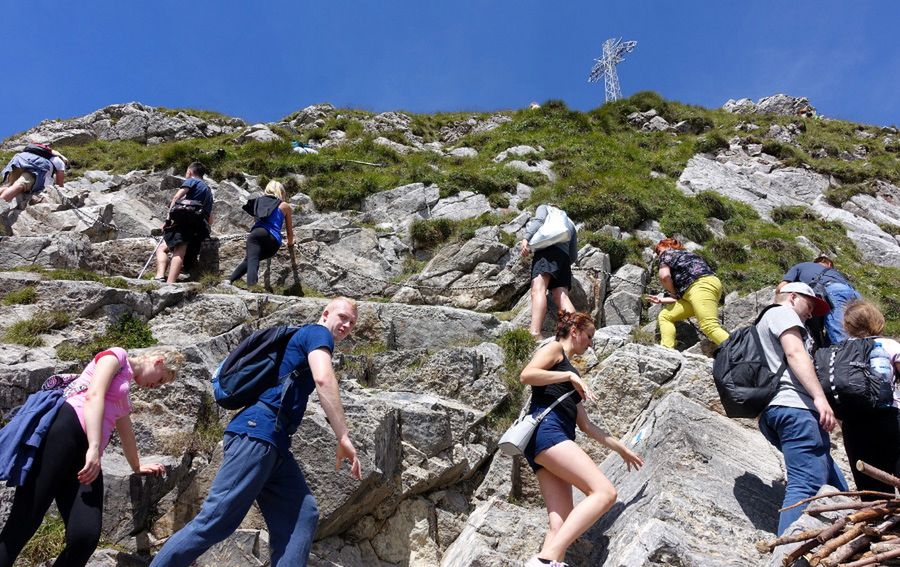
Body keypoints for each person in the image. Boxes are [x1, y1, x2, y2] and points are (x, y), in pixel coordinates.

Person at [149, 297, 363, 567]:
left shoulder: (306, 336)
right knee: (216, 521)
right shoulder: (318, 333)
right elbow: (323, 377)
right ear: (325, 313)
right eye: (342, 317)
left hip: (275, 441)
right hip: (257, 433)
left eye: (352, 323)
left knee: (301, 514)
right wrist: (342, 435)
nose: (346, 325)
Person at [0, 346, 184, 567]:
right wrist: (95, 448)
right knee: (24, 522)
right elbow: (93, 394)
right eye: (161, 379)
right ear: (159, 361)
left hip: (86, 456)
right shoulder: (117, 356)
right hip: (63, 435)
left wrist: (137, 466)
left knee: (85, 536)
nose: (156, 386)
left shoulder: (124, 395)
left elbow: (126, 431)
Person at [520, 310, 643, 567]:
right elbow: (527, 375)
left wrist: (622, 450)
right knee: (605, 493)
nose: (590, 343)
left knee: (560, 523)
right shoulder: (555, 350)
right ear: (574, 331)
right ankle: (546, 560)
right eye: (589, 336)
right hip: (548, 434)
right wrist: (568, 376)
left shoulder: (570, 372)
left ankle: (546, 561)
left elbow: (586, 426)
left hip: (545, 443)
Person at [756, 282, 848, 535]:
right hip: (795, 408)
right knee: (806, 485)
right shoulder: (782, 312)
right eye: (810, 304)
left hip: (778, 410)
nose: (811, 313)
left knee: (837, 490)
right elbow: (796, 353)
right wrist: (819, 398)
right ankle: (787, 555)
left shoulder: (767, 321)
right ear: (793, 297)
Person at [838, 300, 900, 495]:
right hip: (890, 419)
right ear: (878, 321)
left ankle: (881, 524)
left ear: (848, 326)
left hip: (854, 425)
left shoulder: (839, 350)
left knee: (872, 490)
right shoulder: (890, 345)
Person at [647, 237, 729, 349]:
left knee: (709, 326)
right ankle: (666, 349)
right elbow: (687, 295)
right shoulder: (687, 256)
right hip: (703, 287)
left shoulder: (666, 254)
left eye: (659, 250)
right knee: (665, 316)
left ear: (668, 246)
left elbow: (664, 277)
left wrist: (671, 292)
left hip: (699, 286)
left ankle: (742, 354)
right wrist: (662, 300)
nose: (658, 254)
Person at [520, 205, 578, 339]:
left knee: (538, 289)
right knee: (562, 296)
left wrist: (526, 239)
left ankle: (534, 333)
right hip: (564, 259)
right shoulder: (569, 221)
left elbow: (538, 221)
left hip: (546, 253)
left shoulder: (545, 208)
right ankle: (573, 334)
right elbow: (573, 254)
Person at [778, 255, 860, 346]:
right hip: (855, 293)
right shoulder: (836, 273)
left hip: (833, 291)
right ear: (829, 264)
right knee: (858, 328)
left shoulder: (801, 265)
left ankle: (842, 355)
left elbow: (782, 287)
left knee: (838, 333)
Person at [226, 180, 294, 287]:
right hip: (274, 242)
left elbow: (257, 221)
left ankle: (252, 285)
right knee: (251, 258)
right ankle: (230, 280)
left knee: (252, 258)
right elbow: (290, 232)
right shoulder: (284, 206)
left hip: (258, 234)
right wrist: (290, 243)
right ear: (281, 192)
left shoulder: (258, 202)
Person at [154, 162, 214, 284]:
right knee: (164, 247)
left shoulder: (192, 181)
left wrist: (168, 220)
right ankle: (161, 277)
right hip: (200, 227)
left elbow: (176, 198)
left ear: (190, 172)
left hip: (185, 222)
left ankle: (167, 282)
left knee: (177, 250)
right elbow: (210, 217)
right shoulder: (208, 190)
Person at [0, 143, 67, 234]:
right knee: (20, 185)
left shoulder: (42, 154)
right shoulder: (59, 161)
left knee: (9, 186)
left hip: (19, 159)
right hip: (35, 165)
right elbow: (60, 183)